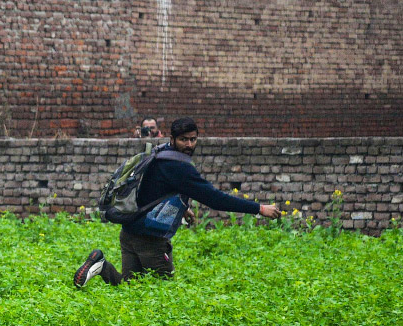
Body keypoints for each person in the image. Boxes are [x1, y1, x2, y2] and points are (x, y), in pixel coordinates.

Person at [76, 117, 280, 287]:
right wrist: (259, 208)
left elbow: (154, 188)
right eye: (184, 140)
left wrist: (183, 208)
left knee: (131, 289)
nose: (189, 145)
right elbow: (215, 199)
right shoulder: (180, 167)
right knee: (164, 294)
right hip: (151, 240)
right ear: (172, 138)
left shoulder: (159, 153)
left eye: (193, 139)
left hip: (129, 231)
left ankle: (101, 266)